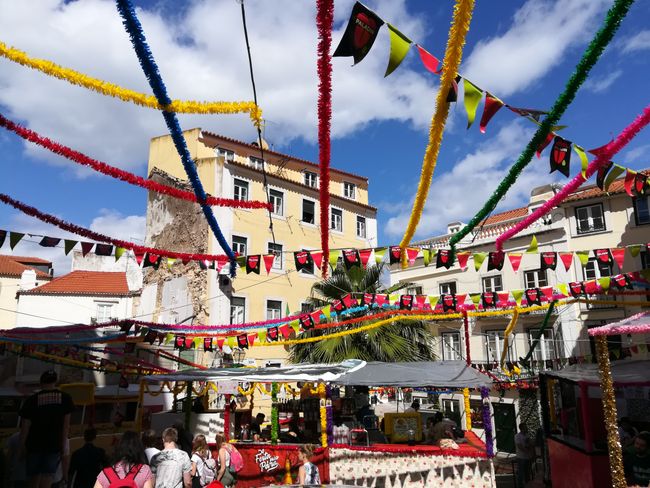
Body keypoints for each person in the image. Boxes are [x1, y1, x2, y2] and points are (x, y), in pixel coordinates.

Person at [18, 369, 75, 488]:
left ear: (41, 382)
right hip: (53, 444)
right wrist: (64, 446)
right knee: (47, 476)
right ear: (55, 381)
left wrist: (22, 445)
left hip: (34, 444)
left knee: (33, 477)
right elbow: (66, 425)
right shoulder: (65, 398)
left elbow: (25, 427)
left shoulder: (32, 400)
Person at [515, 423, 535, 488]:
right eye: (525, 427)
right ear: (522, 428)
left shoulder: (527, 435)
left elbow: (531, 444)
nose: (527, 428)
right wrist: (527, 451)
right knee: (520, 473)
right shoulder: (517, 436)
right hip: (521, 457)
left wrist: (531, 452)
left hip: (527, 457)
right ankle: (520, 486)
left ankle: (527, 485)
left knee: (527, 472)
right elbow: (519, 446)